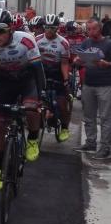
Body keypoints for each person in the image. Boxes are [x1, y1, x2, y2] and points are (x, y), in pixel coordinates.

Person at [0, 9, 44, 190]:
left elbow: (38, 70)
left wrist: (43, 96)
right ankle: (1, 170)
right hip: (6, 81)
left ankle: (32, 139)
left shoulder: (26, 40)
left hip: (27, 79)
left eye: (1, 30)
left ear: (11, 29)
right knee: (0, 125)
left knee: (31, 108)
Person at [74, 18, 111, 160]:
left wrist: (106, 64)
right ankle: (90, 142)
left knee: (105, 117)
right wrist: (78, 60)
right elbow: (79, 57)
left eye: (93, 29)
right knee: (88, 116)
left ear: (100, 29)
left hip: (105, 85)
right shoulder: (86, 42)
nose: (90, 32)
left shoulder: (108, 43)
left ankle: (105, 147)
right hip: (88, 83)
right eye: (88, 29)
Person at [36, 14, 72, 143]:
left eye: (52, 28)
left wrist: (66, 79)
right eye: (46, 27)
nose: (49, 31)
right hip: (43, 70)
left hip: (57, 72)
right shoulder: (37, 39)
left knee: (62, 103)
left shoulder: (63, 43)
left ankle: (65, 127)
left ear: (57, 28)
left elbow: (64, 63)